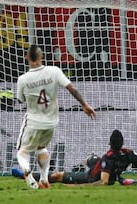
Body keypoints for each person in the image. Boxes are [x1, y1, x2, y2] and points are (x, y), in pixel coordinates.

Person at [16, 44, 96, 189]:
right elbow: (71, 88)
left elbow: (20, 100)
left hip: (33, 121)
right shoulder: (54, 71)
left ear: (26, 58)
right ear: (42, 57)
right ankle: (44, 180)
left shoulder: (23, 79)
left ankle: (28, 173)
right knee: (41, 148)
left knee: (22, 152)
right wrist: (85, 104)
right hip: (51, 122)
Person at [13, 129, 137, 185]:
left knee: (58, 175)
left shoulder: (108, 157)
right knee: (90, 158)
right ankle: (120, 178)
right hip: (103, 167)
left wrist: (78, 186)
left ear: (109, 143)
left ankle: (27, 176)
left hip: (90, 177)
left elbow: (103, 183)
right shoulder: (129, 153)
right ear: (122, 143)